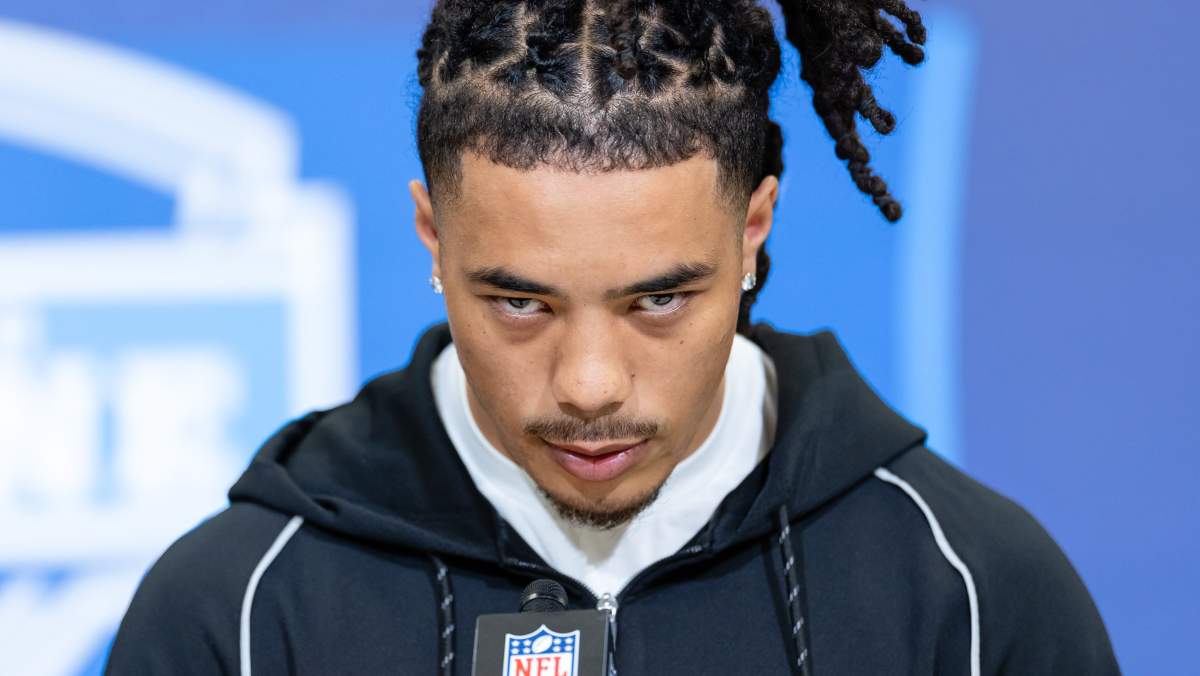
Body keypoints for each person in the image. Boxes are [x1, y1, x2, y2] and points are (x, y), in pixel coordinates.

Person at [106, 1, 1120, 674]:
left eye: (658, 300)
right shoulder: (235, 614)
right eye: (521, 304)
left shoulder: (971, 592)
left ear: (754, 230)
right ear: (432, 237)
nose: (590, 385)